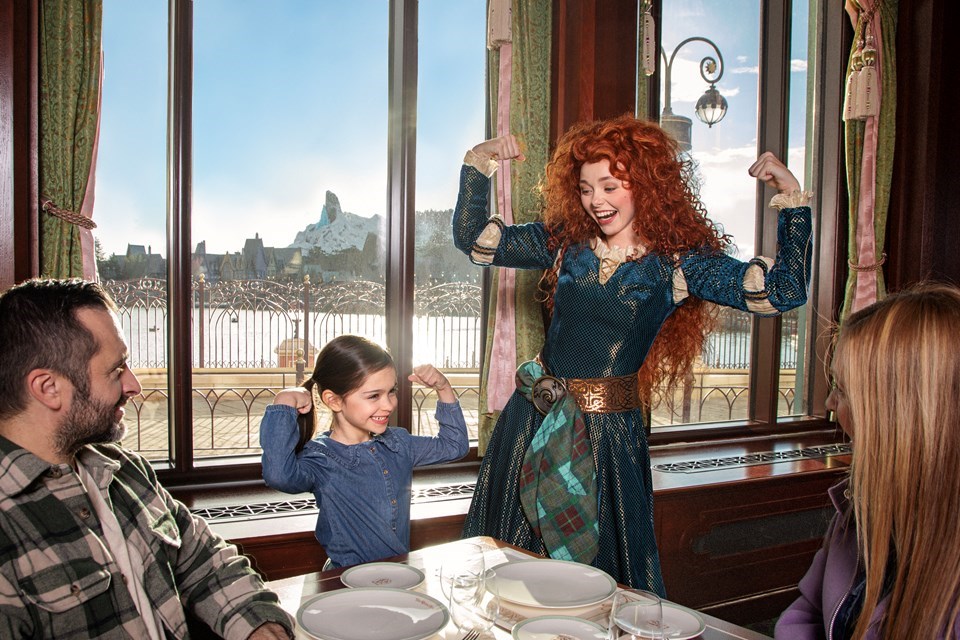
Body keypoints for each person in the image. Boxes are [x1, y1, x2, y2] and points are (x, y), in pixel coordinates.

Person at [454, 114, 812, 592]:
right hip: (532, 422)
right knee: (508, 569)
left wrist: (792, 201)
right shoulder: (563, 244)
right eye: (586, 189)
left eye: (610, 186)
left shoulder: (679, 265)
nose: (596, 201)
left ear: (645, 184)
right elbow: (473, 237)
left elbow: (784, 291)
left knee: (594, 583)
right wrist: (478, 164)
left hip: (607, 440)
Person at [0, 279, 293, 640]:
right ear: (49, 388)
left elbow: (203, 560)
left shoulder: (126, 471)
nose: (134, 385)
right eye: (116, 370)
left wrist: (258, 625)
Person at [775, 284, 960, 640]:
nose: (829, 403)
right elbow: (807, 615)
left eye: (842, 390)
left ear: (899, 413)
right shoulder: (858, 509)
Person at [259, 335, 469, 568]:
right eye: (374, 396)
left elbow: (454, 445)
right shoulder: (320, 459)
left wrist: (443, 387)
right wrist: (283, 405)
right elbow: (278, 475)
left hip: (397, 574)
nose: (388, 405)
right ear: (334, 401)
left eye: (391, 391)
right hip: (345, 580)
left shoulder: (399, 443)